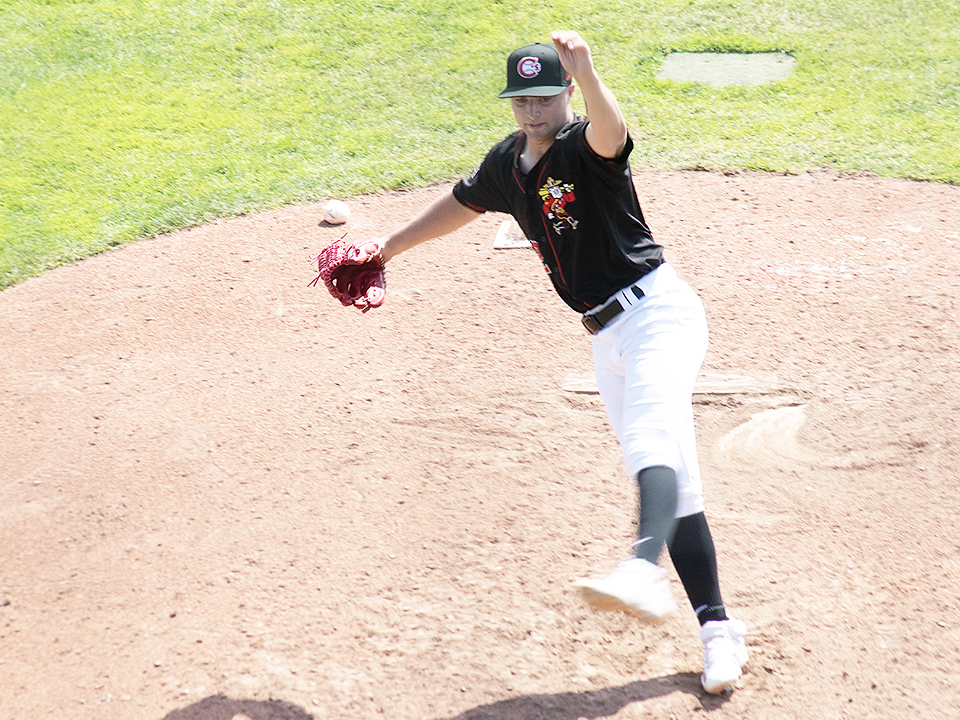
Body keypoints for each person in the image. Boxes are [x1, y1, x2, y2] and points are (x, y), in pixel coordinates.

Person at [339, 30, 748, 694]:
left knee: (650, 444)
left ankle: (643, 570)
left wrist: (588, 73)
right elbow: (461, 203)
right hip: (606, 339)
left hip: (659, 318)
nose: (533, 111)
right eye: (521, 100)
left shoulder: (585, 147)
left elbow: (612, 132)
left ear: (563, 95)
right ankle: (719, 631)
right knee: (676, 481)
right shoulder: (510, 164)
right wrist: (385, 250)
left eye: (545, 97)